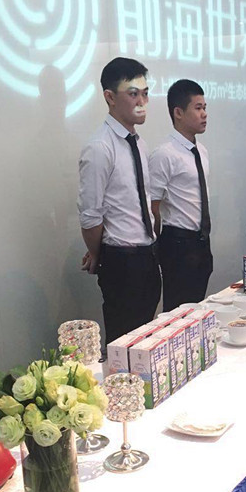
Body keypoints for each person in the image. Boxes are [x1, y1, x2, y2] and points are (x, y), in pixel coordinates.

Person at [78, 58, 160, 345]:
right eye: (133, 94)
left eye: (145, 93)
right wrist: (97, 253)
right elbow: (90, 215)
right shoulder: (100, 147)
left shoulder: (139, 143)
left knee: (147, 339)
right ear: (110, 97)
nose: (142, 102)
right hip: (122, 261)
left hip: (148, 254)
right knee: (124, 343)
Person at [148, 79, 212, 311]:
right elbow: (152, 206)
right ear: (178, 112)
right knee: (177, 312)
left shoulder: (201, 150)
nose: (204, 114)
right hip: (177, 244)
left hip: (201, 241)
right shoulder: (164, 154)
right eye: (198, 108)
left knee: (197, 309)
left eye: (205, 107)